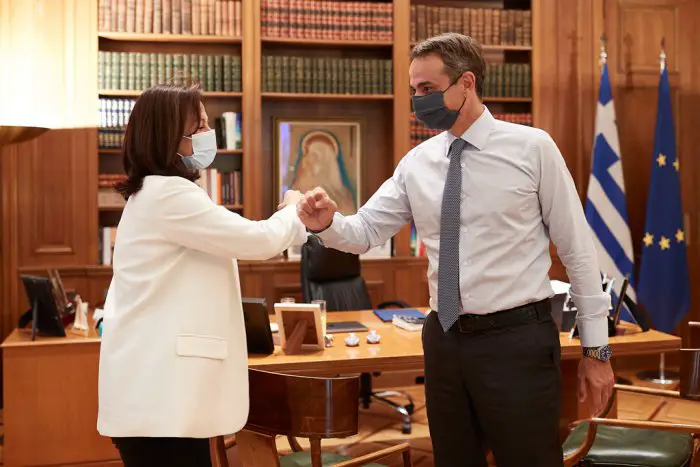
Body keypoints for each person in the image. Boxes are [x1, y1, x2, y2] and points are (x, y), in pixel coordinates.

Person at [296, 33, 615, 467]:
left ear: (467, 82)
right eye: (413, 90)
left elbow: (579, 251)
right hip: (444, 341)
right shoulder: (417, 162)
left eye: (427, 89)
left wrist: (596, 351)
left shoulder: (532, 148)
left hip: (516, 342)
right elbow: (365, 230)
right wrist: (328, 224)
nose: (418, 100)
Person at [97, 83, 307, 467]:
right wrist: (293, 209)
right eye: (199, 128)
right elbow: (258, 240)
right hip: (159, 401)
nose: (208, 136)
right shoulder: (169, 196)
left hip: (158, 398)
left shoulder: (154, 195)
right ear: (168, 140)